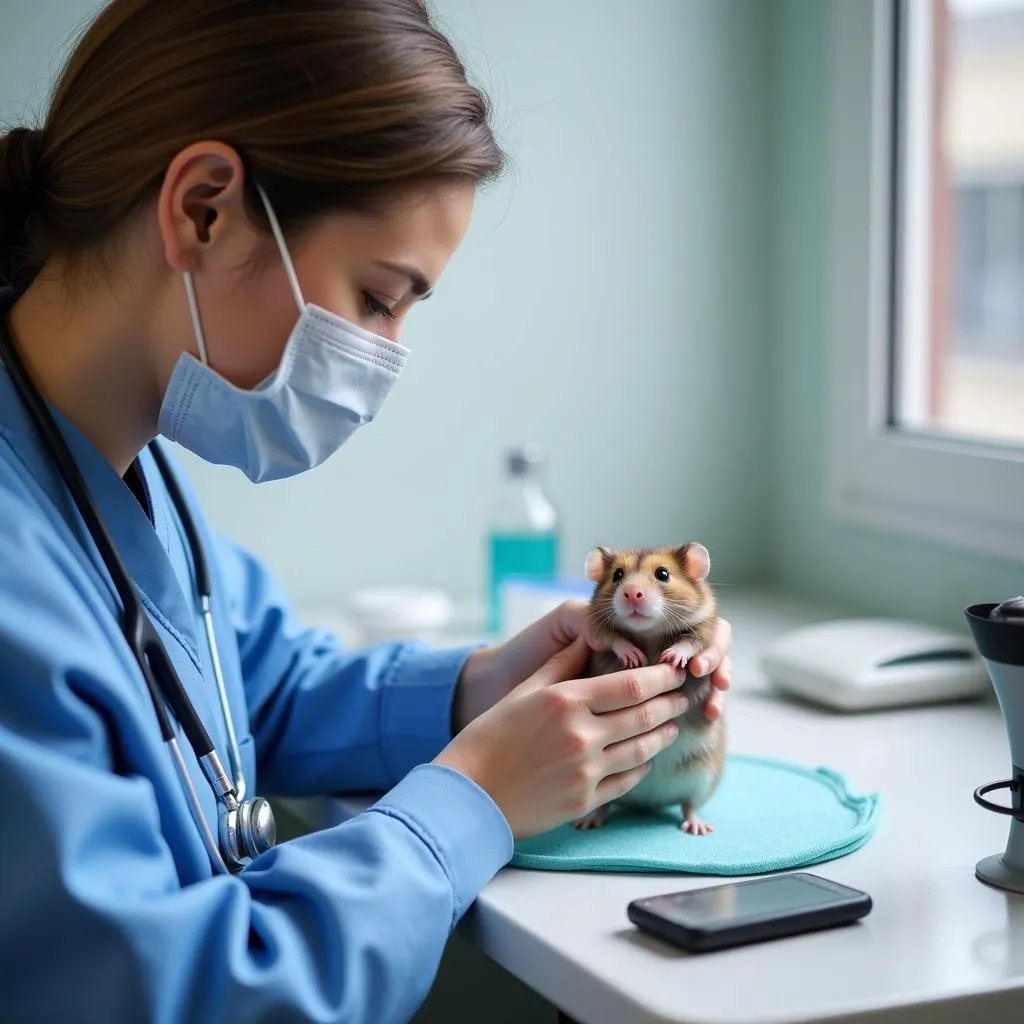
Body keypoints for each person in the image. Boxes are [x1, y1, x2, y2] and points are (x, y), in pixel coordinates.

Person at [0, 1, 732, 1021]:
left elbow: (257, 688)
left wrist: (483, 689)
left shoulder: (125, 471)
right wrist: (468, 802)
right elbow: (165, 994)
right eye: (380, 298)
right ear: (204, 209)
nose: (388, 357)